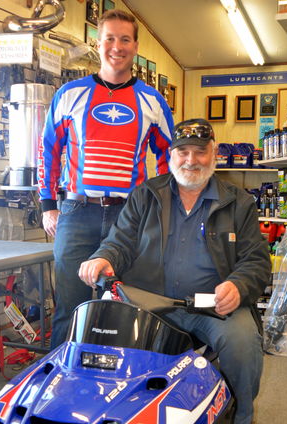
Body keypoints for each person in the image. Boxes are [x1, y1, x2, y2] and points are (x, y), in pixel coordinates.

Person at [79, 118, 271, 424]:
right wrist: (103, 258)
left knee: (242, 342)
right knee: (101, 333)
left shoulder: (238, 203)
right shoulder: (145, 195)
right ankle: (106, 418)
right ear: (170, 155)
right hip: (148, 300)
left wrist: (238, 286)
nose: (191, 160)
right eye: (183, 151)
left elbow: (256, 261)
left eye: (200, 151)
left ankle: (243, 422)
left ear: (214, 154)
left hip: (212, 305)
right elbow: (119, 242)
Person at [38, 8, 174, 349]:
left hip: (130, 217)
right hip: (76, 212)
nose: (117, 46)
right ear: (98, 44)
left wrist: (163, 207)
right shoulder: (69, 95)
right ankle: (58, 389)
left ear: (136, 46)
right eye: (110, 38)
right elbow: (47, 151)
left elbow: (171, 157)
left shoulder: (153, 101)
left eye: (125, 39)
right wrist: (47, 205)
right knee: (69, 308)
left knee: (127, 307)